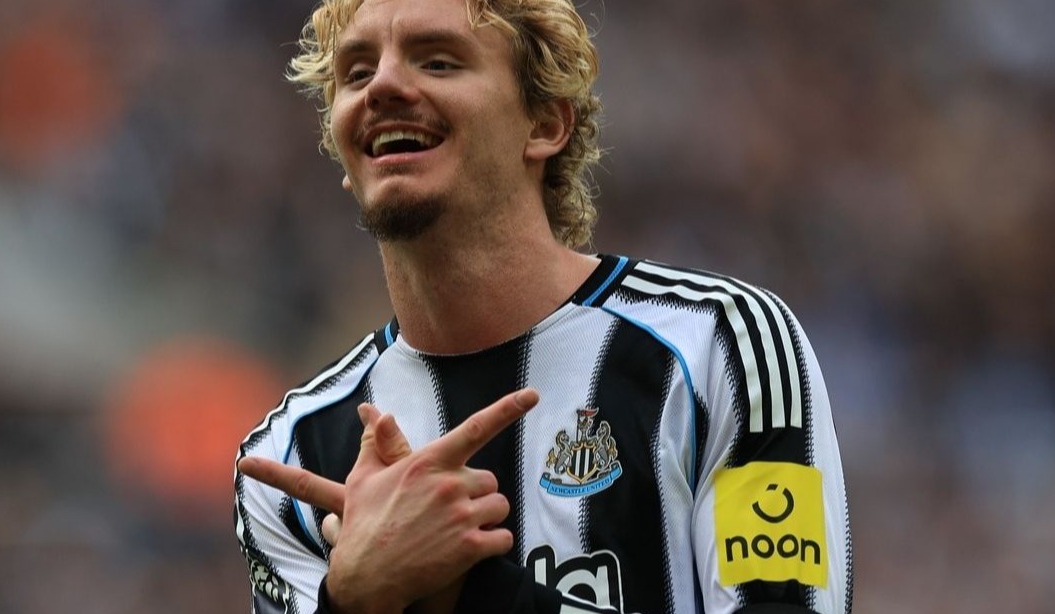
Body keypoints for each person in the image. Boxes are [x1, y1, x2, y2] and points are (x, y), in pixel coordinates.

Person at [233, 0, 853, 612]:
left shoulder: (722, 346)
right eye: (358, 72)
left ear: (545, 125)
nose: (383, 86)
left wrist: (466, 591)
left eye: (438, 62)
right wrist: (351, 601)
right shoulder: (287, 459)